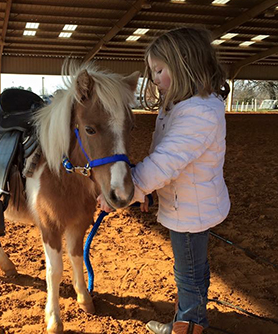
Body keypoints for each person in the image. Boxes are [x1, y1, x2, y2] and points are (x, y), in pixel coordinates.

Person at [98, 27, 230, 334]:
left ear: (184, 65)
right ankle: (187, 320)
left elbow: (164, 163)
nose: (154, 78)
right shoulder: (183, 107)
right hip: (187, 203)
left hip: (189, 213)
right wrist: (150, 193)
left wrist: (125, 192)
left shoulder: (197, 113)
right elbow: (173, 163)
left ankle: (188, 327)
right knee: (192, 271)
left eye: (159, 70)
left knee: (189, 274)